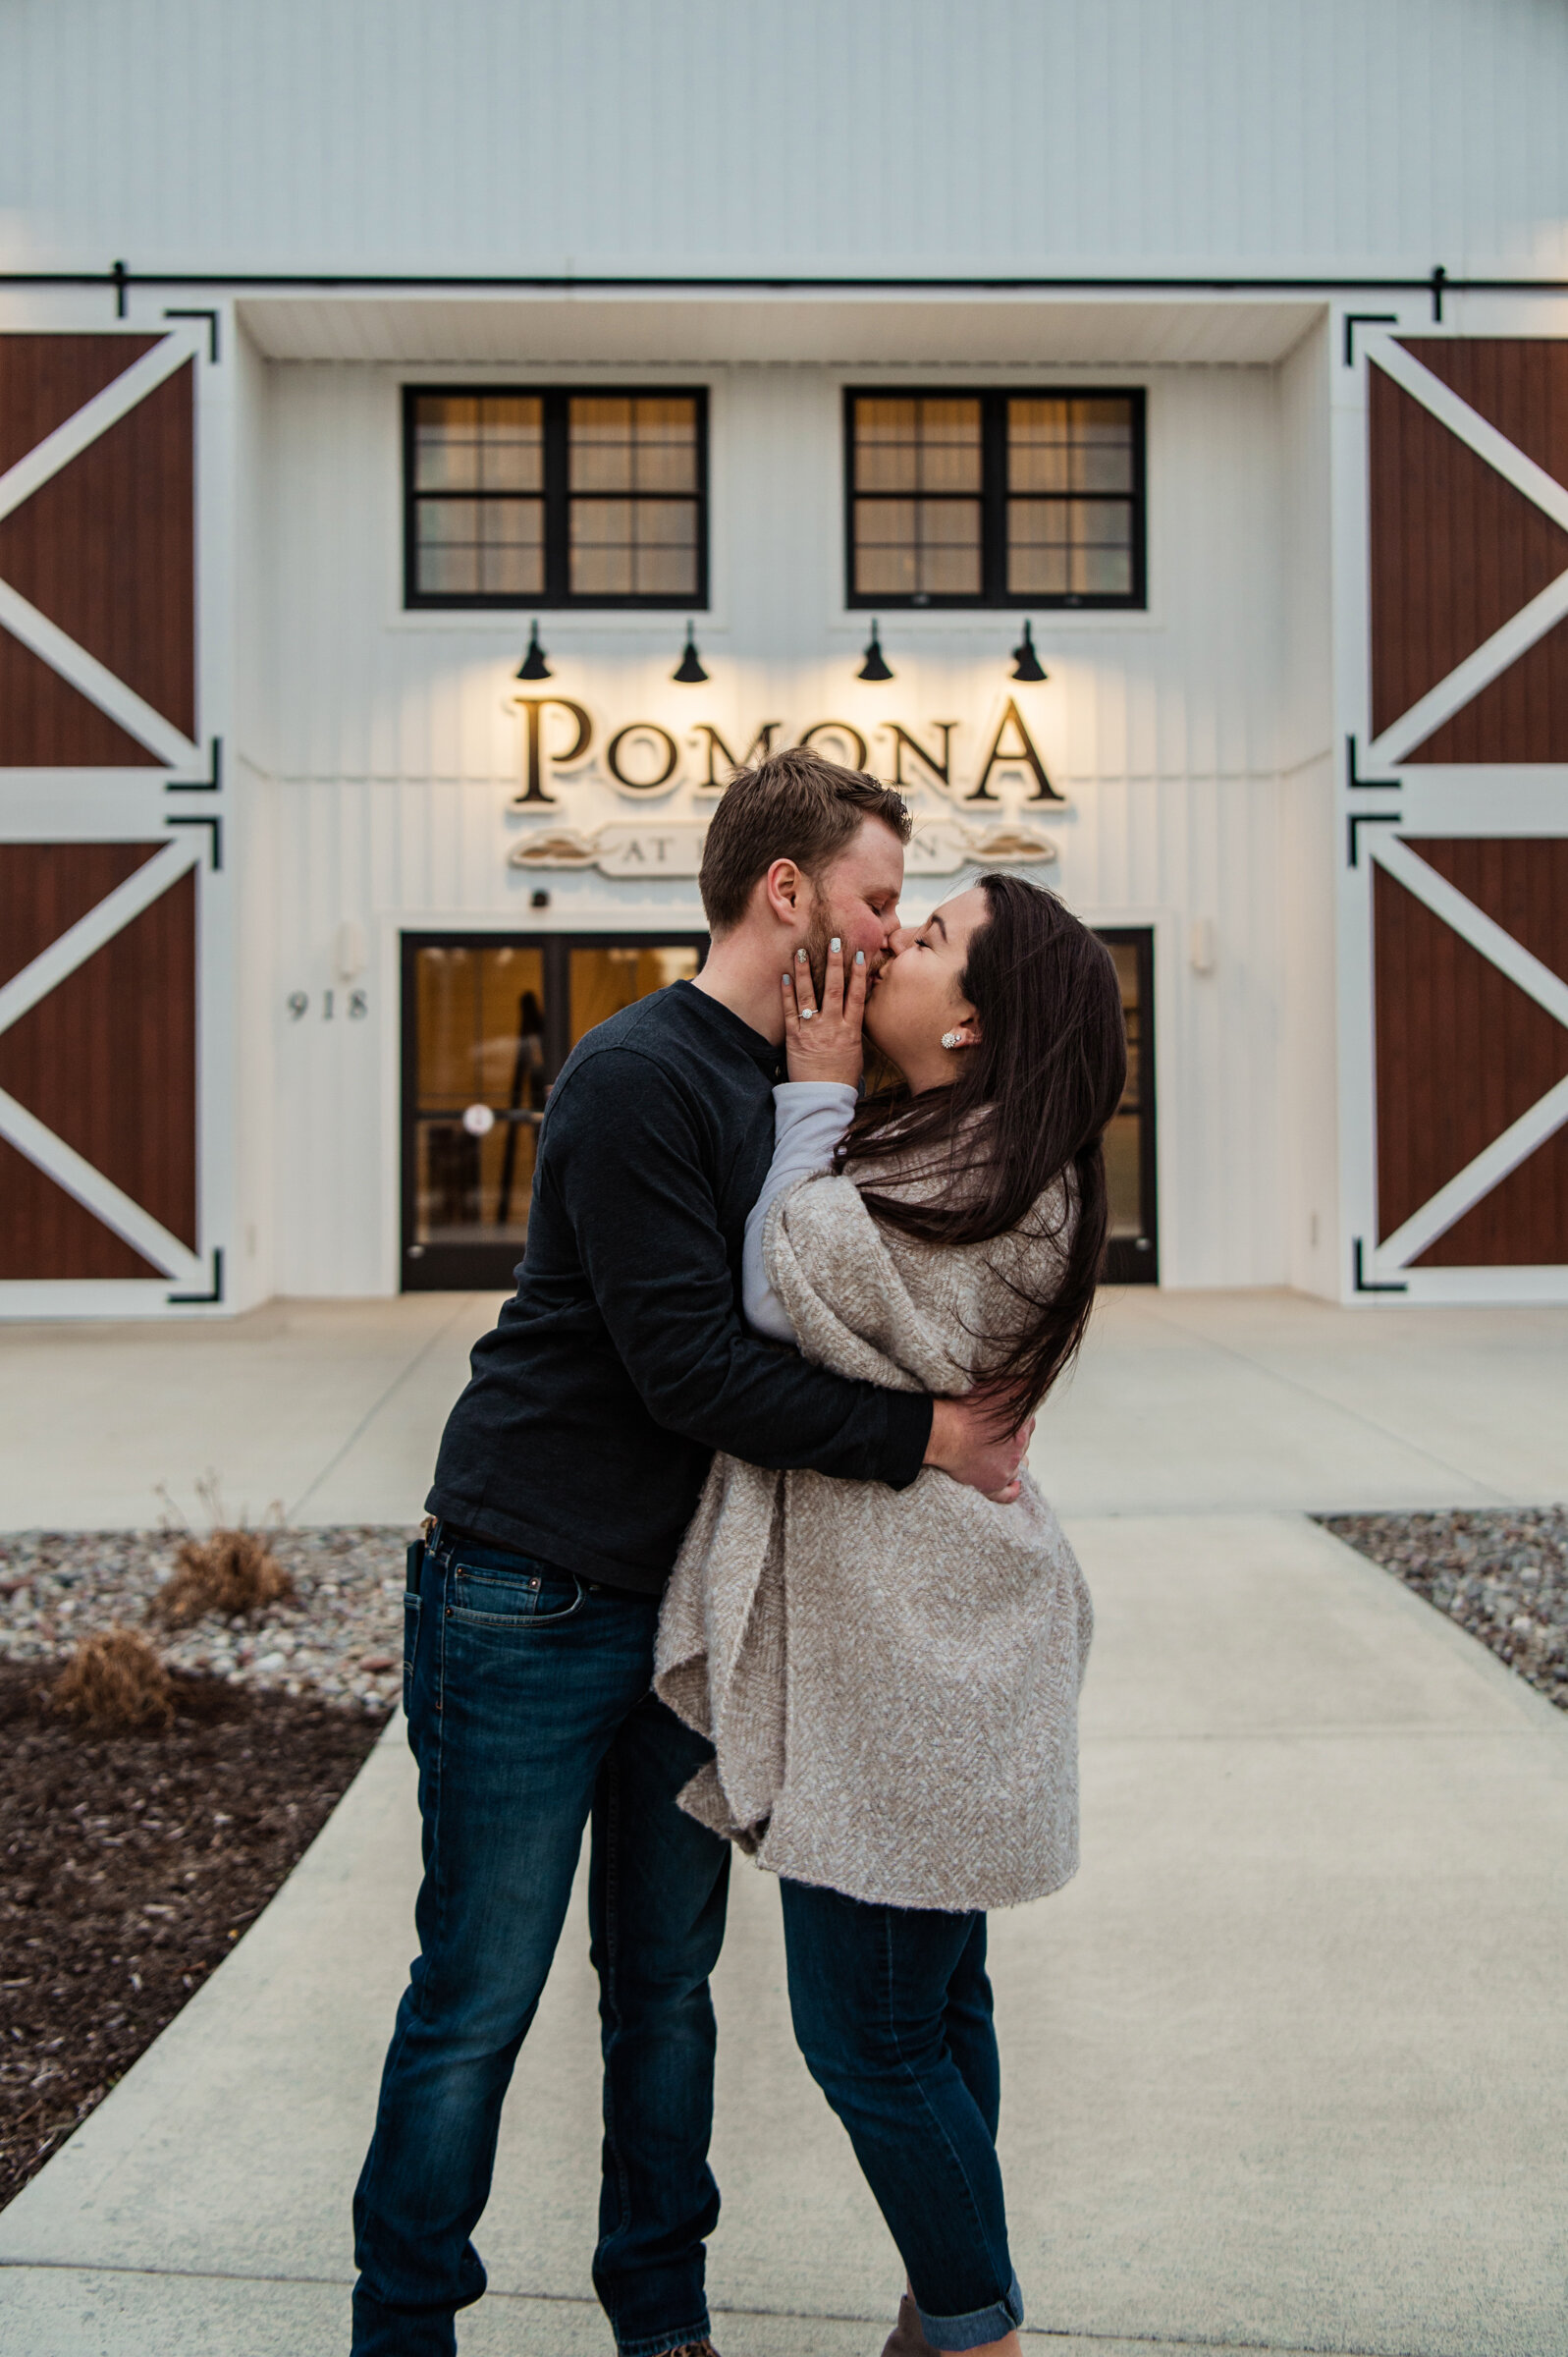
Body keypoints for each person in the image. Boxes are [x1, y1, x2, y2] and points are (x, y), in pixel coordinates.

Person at [351, 752, 1034, 2357]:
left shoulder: (821, 1082)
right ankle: (404, 2333)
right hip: (524, 1584)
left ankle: (660, 2320)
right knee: (475, 2003)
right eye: (878, 899)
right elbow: (691, 1370)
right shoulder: (634, 1072)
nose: (887, 932)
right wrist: (933, 1441)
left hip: (682, 1612)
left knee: (662, 1993)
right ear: (786, 894)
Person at [656, 874, 1127, 2357]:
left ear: (973, 1019)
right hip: (933, 1633)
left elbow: (777, 1287)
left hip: (905, 1652)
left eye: (923, 941)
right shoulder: (969, 1147)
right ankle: (946, 2305)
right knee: (931, 2007)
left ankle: (973, 2327)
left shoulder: (977, 1174)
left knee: (864, 2034)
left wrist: (808, 1094)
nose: (887, 943)